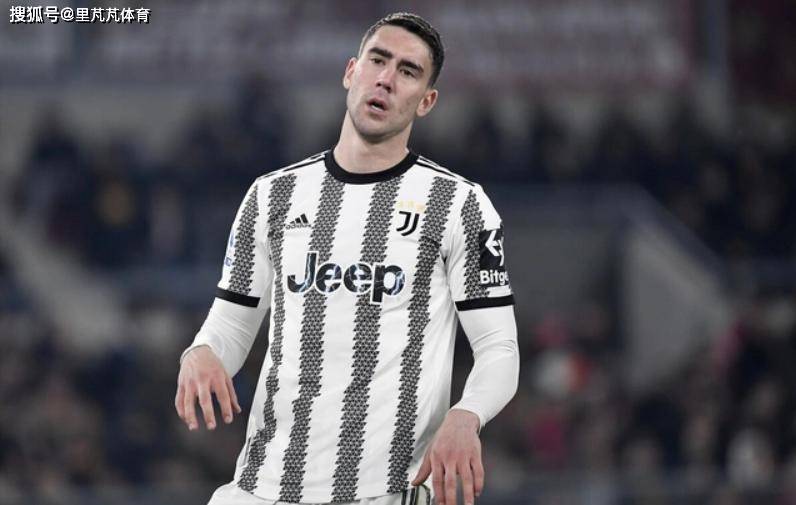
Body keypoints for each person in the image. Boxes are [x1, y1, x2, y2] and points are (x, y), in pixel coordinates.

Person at [175, 12, 519, 505]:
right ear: (351, 72)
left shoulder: (459, 205)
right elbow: (231, 324)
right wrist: (202, 351)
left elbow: (499, 347)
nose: (386, 78)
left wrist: (468, 415)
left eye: (408, 71)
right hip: (262, 488)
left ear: (426, 101)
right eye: (378, 60)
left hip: (385, 492)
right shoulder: (272, 195)